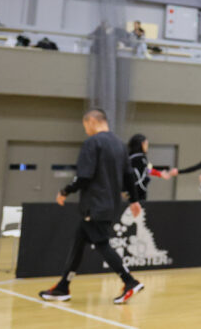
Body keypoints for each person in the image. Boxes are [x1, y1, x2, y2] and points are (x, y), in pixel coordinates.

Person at [38, 109, 144, 305]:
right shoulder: (120, 145)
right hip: (111, 205)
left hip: (95, 204)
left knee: (102, 243)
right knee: (79, 240)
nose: (86, 130)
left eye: (85, 126)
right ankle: (63, 286)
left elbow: (84, 176)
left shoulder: (92, 143)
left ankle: (130, 281)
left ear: (92, 122)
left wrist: (65, 191)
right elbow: (129, 176)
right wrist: (134, 200)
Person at [127, 134, 168, 202]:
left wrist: (159, 173)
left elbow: (147, 169)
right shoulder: (139, 158)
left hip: (133, 192)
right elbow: (147, 169)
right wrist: (160, 174)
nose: (147, 146)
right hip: (137, 192)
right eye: (146, 144)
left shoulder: (133, 157)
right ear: (142, 144)